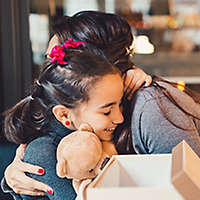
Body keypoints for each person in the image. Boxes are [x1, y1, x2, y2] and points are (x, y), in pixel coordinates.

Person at [2, 10, 200, 198]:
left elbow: (193, 186)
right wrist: (12, 175)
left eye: (59, 60)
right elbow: (46, 150)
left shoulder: (150, 106)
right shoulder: (79, 113)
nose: (54, 70)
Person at [2, 40, 125, 200]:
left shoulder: (98, 127)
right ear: (64, 115)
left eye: (120, 104)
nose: (120, 118)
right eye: (107, 111)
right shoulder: (43, 154)